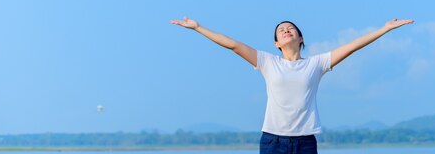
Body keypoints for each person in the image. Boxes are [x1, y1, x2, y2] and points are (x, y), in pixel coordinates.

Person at [170, 17, 414, 153]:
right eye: (281, 30)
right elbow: (233, 45)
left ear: (300, 38)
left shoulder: (316, 64)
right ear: (276, 43)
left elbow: (352, 46)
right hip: (273, 142)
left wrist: (384, 29)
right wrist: (198, 28)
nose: (286, 30)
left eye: (291, 29)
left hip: (306, 142)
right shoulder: (267, 62)